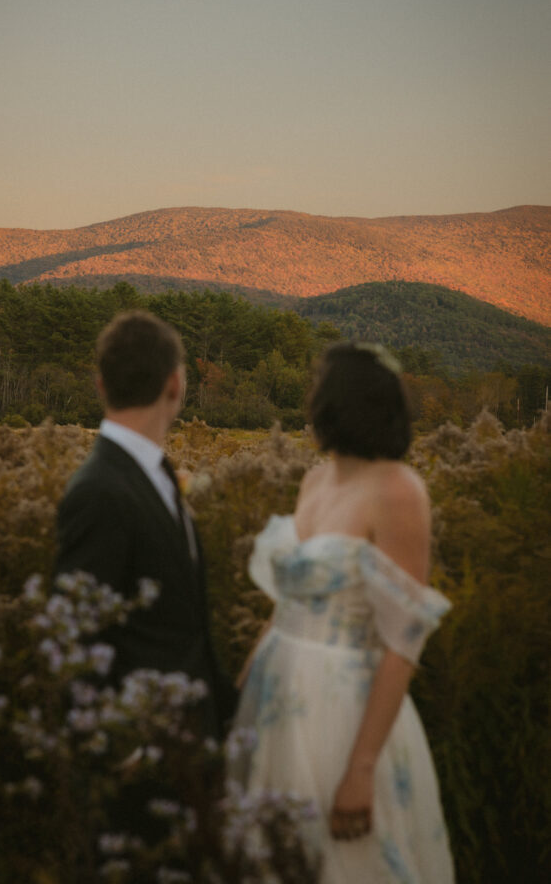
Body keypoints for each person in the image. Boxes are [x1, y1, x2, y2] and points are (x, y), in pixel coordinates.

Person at [232, 342, 455, 883]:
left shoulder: (400, 490)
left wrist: (361, 769)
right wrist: (244, 685)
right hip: (276, 700)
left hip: (343, 712)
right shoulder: (316, 480)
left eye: (317, 388)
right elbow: (291, 603)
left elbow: (403, 639)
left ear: (340, 402)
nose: (311, 399)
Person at [55, 310, 235, 739]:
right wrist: (116, 752)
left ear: (101, 386)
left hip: (192, 734)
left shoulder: (156, 474)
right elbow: (75, 639)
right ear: (175, 384)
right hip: (142, 747)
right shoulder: (99, 492)